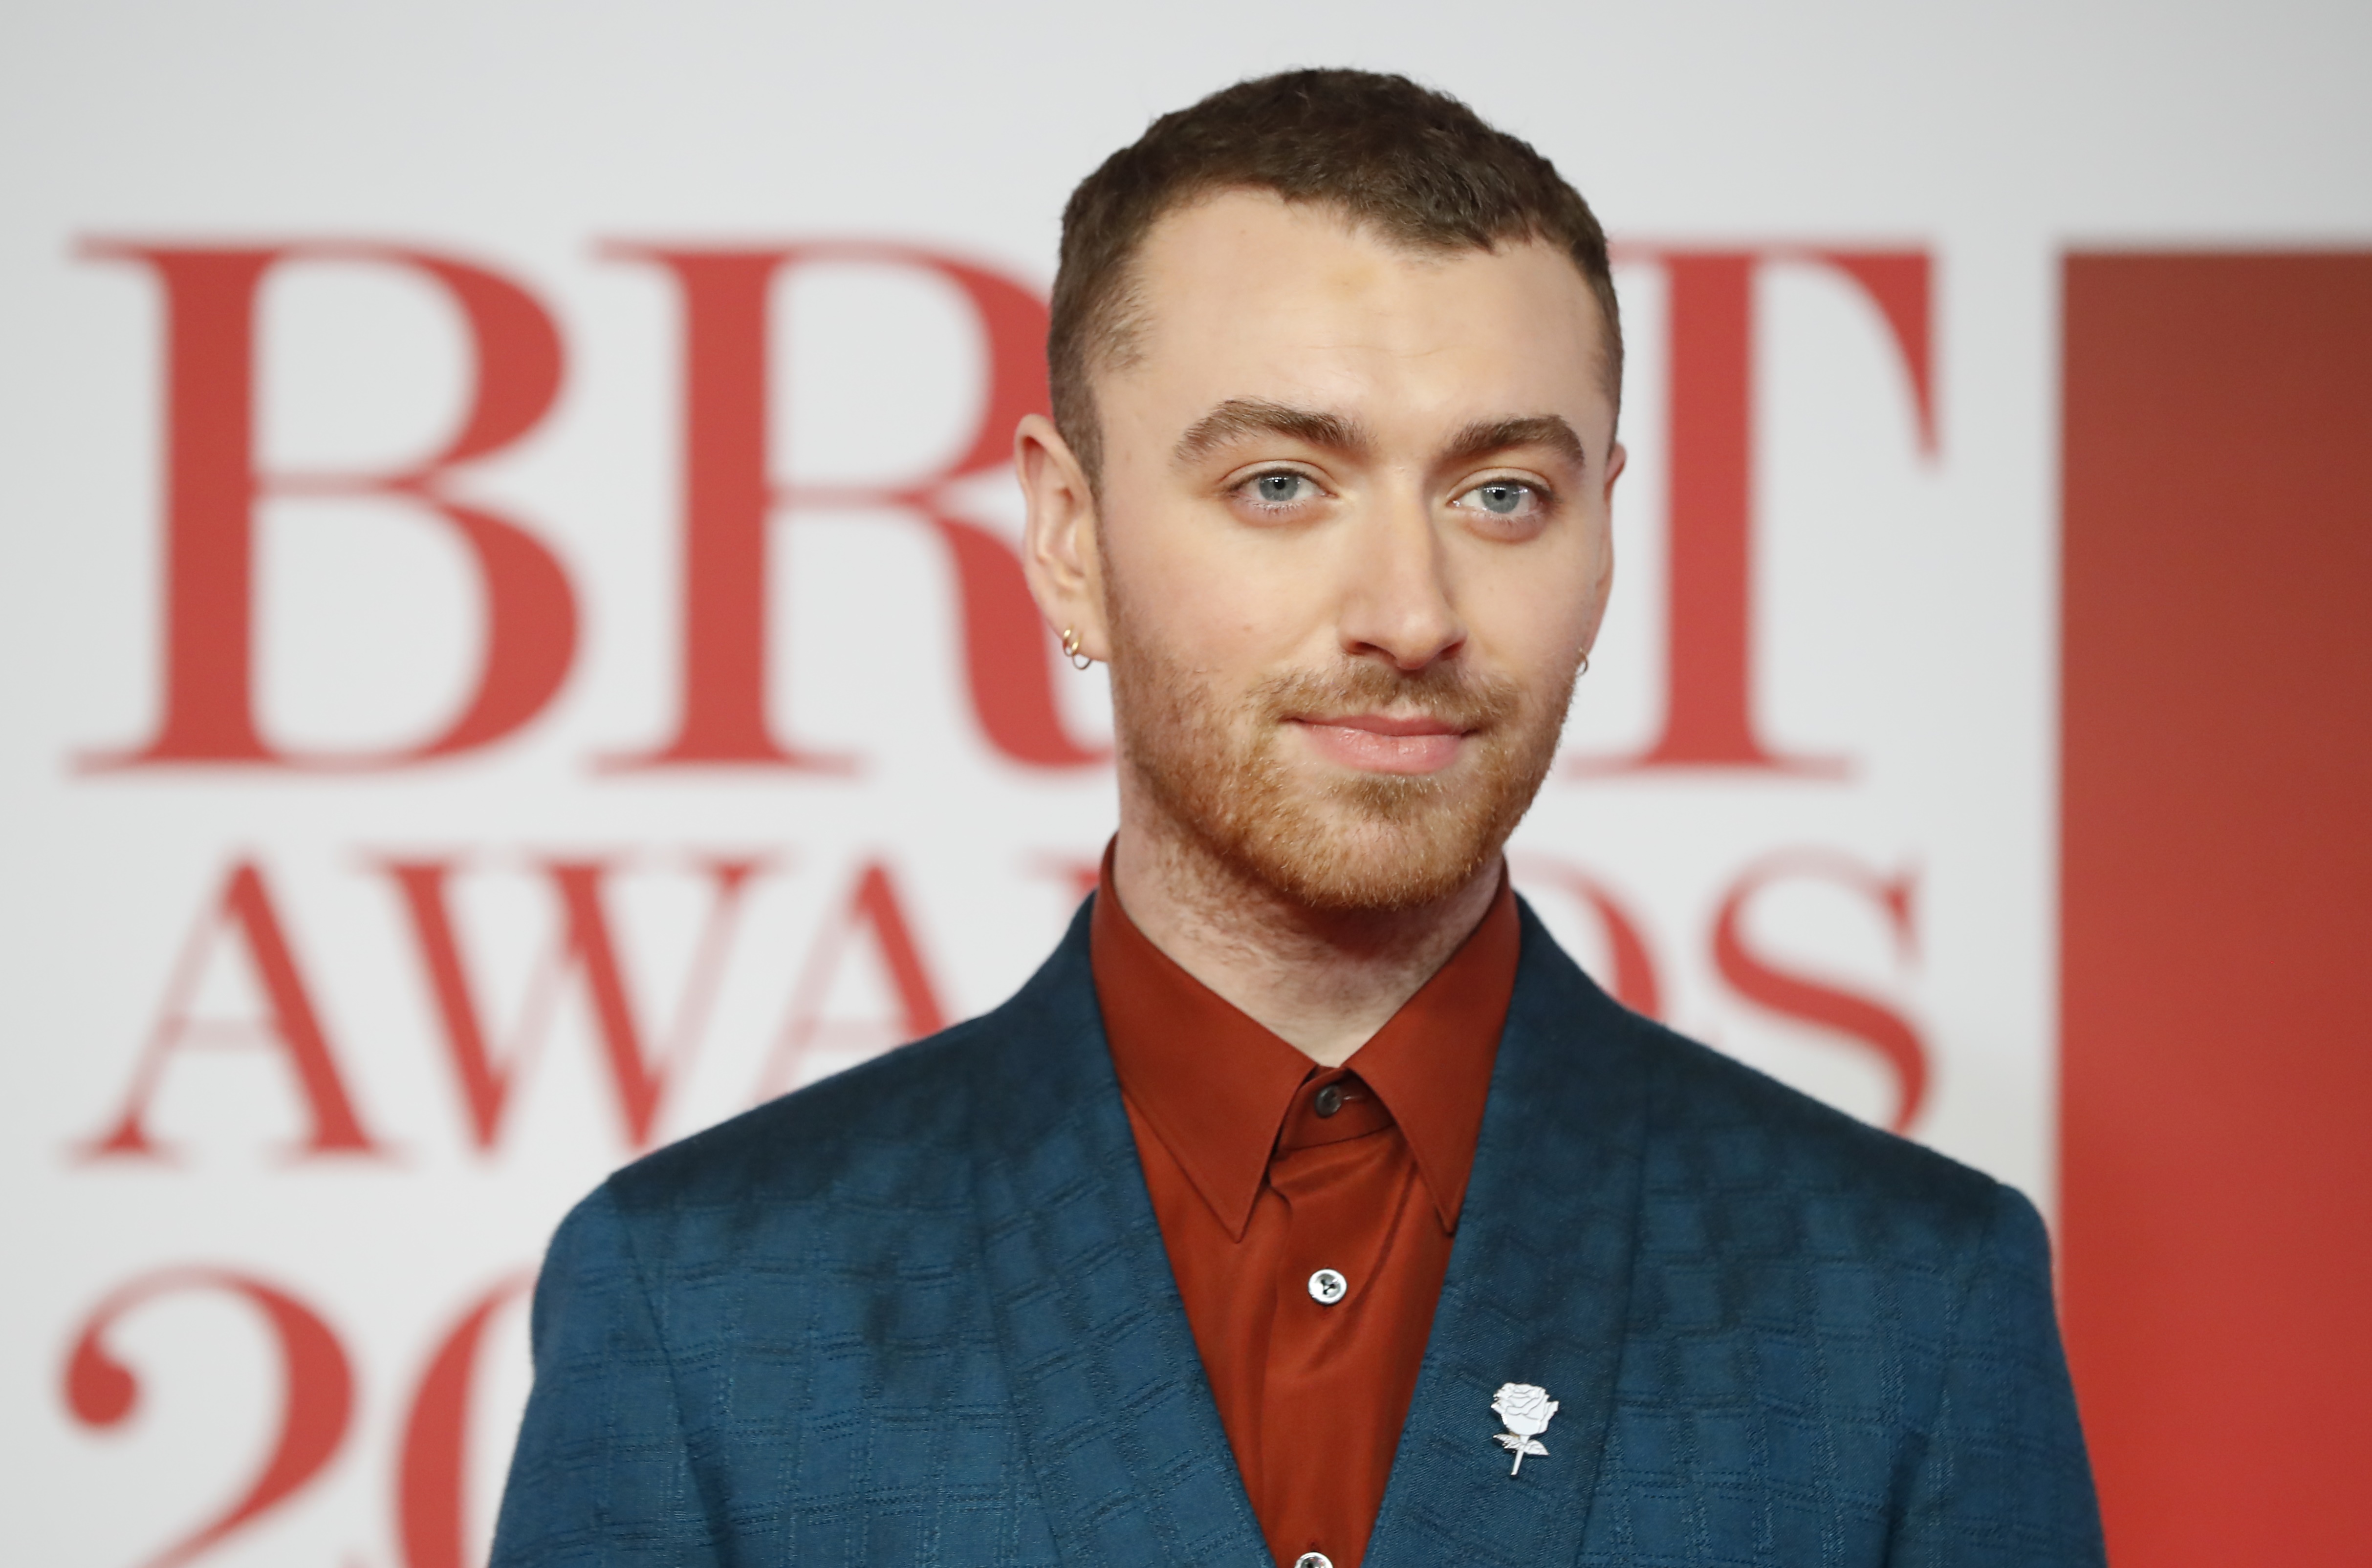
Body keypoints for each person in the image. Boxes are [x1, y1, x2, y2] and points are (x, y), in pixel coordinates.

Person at [490, 69, 2103, 1568]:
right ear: (1069, 537)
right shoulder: (695, 1302)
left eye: (1502, 495)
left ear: (1607, 535)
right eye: (1281, 483)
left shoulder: (1912, 1306)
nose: (1410, 612)